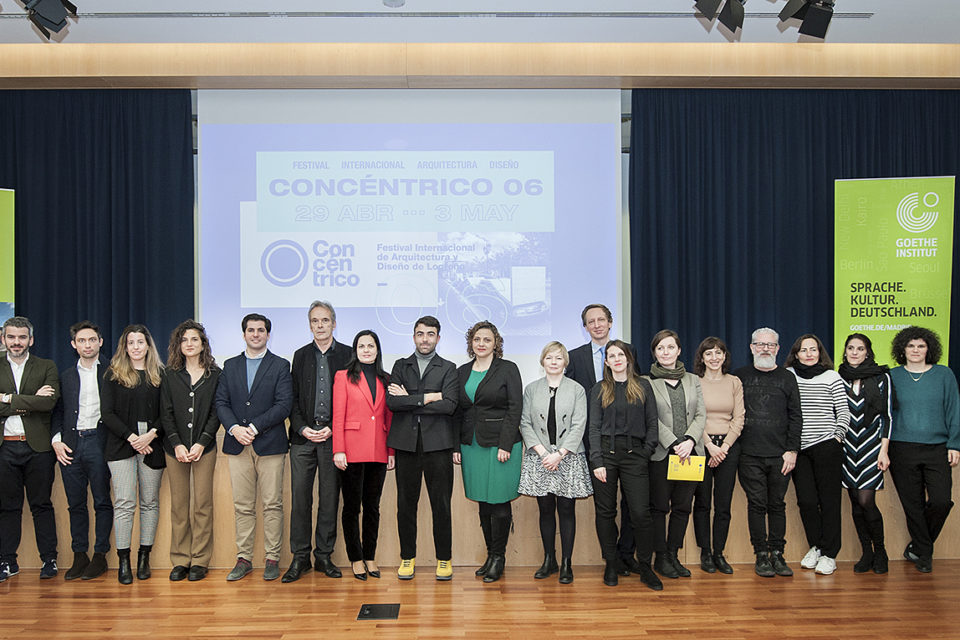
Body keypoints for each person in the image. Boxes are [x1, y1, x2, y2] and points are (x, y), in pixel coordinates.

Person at [565, 303, 642, 574]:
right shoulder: (574, 357)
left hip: (631, 445)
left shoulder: (627, 352)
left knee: (633, 506)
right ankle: (610, 558)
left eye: (601, 319)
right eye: (590, 321)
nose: (596, 324)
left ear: (610, 322)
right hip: (594, 443)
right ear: (585, 327)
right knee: (605, 506)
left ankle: (625, 553)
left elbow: (639, 394)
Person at [216, 313, 292, 582]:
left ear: (268, 334)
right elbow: (221, 403)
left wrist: (255, 428)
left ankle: (272, 558)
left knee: (273, 503)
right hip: (237, 444)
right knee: (242, 505)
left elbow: (284, 405)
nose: (256, 334)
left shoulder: (280, 365)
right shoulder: (230, 365)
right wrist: (235, 428)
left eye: (261, 330)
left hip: (270, 444)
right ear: (244, 334)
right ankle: (244, 558)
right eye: (251, 330)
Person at [386, 315, 458, 581]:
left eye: (430, 334)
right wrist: (429, 397)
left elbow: (449, 405)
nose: (424, 339)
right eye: (420, 334)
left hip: (438, 445)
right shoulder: (400, 365)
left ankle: (444, 559)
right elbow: (393, 404)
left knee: (441, 505)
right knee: (406, 505)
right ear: (413, 337)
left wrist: (410, 398)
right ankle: (407, 558)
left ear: (438, 338)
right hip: (406, 445)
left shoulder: (448, 368)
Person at [285, 300, 351, 582]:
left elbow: (351, 400)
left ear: (334, 323)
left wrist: (333, 429)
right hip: (303, 440)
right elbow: (292, 399)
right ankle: (300, 557)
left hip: (333, 439)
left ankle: (324, 555)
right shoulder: (299, 356)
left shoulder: (349, 355)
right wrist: (302, 429)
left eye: (325, 320)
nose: (320, 326)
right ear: (309, 325)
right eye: (315, 321)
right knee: (300, 500)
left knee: (328, 500)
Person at [588, 340, 661, 590]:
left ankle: (645, 566)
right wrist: (596, 460)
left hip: (635, 456)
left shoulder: (643, 386)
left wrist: (646, 451)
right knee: (606, 513)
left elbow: (653, 423)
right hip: (605, 458)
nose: (617, 359)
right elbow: (594, 428)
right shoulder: (599, 389)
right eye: (611, 355)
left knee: (641, 513)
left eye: (621, 354)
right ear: (606, 362)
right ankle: (611, 563)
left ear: (629, 359)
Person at [518, 341, 592, 584]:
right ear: (542, 361)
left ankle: (567, 563)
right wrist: (542, 453)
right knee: (545, 509)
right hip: (539, 457)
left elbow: (579, 424)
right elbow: (525, 423)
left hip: (567, 458)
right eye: (549, 357)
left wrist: (559, 454)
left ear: (565, 363)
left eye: (558, 358)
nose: (553, 362)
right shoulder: (531, 389)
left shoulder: (577, 389)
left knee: (567, 509)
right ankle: (549, 559)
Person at [454, 320, 522, 583]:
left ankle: (499, 557)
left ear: (496, 344)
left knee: (500, 502)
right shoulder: (461, 372)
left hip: (501, 446)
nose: (481, 344)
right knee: (483, 501)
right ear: (471, 343)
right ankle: (490, 555)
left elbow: (515, 408)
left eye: (487, 340)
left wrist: (505, 444)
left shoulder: (508, 369)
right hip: (471, 446)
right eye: (477, 340)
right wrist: (456, 446)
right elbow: (458, 411)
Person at [888, 326, 960, 573]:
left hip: (937, 448)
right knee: (913, 505)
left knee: (941, 501)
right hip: (901, 448)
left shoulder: (944, 374)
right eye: (910, 346)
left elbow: (954, 410)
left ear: (929, 348)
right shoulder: (892, 376)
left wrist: (954, 443)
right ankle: (924, 554)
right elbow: (885, 415)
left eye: (920, 345)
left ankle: (919, 546)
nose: (915, 350)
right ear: (902, 349)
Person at [100, 324, 165, 584]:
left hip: (153, 445)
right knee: (125, 503)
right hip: (120, 445)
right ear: (124, 347)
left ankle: (144, 557)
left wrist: (151, 435)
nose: (136, 347)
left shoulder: (160, 375)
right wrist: (132, 438)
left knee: (150, 502)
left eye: (140, 342)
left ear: (148, 345)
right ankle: (124, 560)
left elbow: (168, 412)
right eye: (131, 343)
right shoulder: (113, 375)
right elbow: (107, 414)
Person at [735, 327, 802, 578]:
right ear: (751, 347)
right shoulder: (738, 377)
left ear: (777, 349)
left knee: (777, 504)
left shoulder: (787, 377)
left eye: (770, 345)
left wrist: (792, 450)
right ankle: (761, 555)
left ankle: (778, 554)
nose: (765, 348)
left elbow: (796, 416)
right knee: (756, 504)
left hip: (780, 456)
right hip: (749, 454)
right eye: (760, 344)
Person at [51, 321, 113, 581]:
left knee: (101, 501)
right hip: (70, 445)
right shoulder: (65, 375)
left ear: (100, 342)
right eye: (81, 341)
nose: (87, 345)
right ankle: (79, 556)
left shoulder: (113, 372)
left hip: (100, 443)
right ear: (73, 345)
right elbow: (58, 411)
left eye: (92, 340)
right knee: (75, 503)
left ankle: (100, 556)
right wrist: (56, 440)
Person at [159, 320, 221, 582]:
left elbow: (217, 412)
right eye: (184, 340)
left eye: (194, 339)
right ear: (178, 345)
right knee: (179, 506)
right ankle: (180, 559)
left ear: (203, 343)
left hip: (204, 449)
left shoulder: (215, 375)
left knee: (203, 505)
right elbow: (166, 412)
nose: (190, 344)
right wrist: (177, 443)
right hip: (175, 449)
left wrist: (201, 443)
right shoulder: (169, 375)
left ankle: (200, 560)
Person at [0, 316, 60, 583]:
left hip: (38, 448)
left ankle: (49, 559)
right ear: (3, 339)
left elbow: (48, 404)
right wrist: (31, 400)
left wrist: (7, 399)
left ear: (31, 340)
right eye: (11, 337)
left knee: (41, 505)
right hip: (5, 448)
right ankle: (7, 562)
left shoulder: (46, 366)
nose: (16, 342)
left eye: (22, 337)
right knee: (8, 507)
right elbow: (38, 402)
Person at [784, 333, 849, 576]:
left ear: (820, 352)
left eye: (813, 349)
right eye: (804, 350)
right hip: (799, 449)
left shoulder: (832, 376)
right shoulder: (789, 376)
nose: (809, 354)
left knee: (830, 502)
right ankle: (817, 547)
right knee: (807, 501)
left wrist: (837, 437)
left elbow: (843, 411)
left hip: (827, 447)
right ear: (796, 354)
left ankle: (830, 554)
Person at [332, 330, 394, 580]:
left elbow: (389, 417)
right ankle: (355, 558)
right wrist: (338, 449)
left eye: (371, 345)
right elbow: (338, 415)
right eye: (361, 346)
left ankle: (370, 556)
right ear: (355, 350)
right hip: (351, 451)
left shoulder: (386, 378)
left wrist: (390, 452)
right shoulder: (343, 376)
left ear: (378, 349)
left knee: (373, 507)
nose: (366, 350)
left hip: (379, 450)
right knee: (351, 508)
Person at [644, 330, 705, 580]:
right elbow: (651, 419)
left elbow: (701, 415)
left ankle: (673, 554)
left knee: (682, 508)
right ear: (655, 353)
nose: (666, 352)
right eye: (660, 348)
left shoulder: (693, 380)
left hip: (690, 454)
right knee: (660, 508)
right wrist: (674, 443)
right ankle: (660, 557)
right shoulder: (646, 382)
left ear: (679, 350)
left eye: (670, 347)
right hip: (662, 454)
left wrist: (689, 441)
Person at [837, 333, 893, 574]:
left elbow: (888, 416)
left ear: (868, 352)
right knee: (855, 504)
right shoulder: (838, 377)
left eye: (860, 348)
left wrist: (884, 451)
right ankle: (866, 552)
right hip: (847, 448)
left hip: (872, 448)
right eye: (851, 348)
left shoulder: (882, 377)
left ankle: (880, 550)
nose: (855, 352)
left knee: (866, 501)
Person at [691, 337, 743, 575]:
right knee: (702, 503)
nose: (714, 358)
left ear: (725, 356)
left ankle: (719, 553)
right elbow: (693, 416)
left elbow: (739, 417)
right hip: (702, 447)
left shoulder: (734, 382)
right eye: (709, 353)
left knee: (723, 505)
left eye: (718, 353)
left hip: (728, 449)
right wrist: (710, 445)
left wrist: (724, 448)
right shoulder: (694, 383)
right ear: (702, 358)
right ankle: (705, 552)